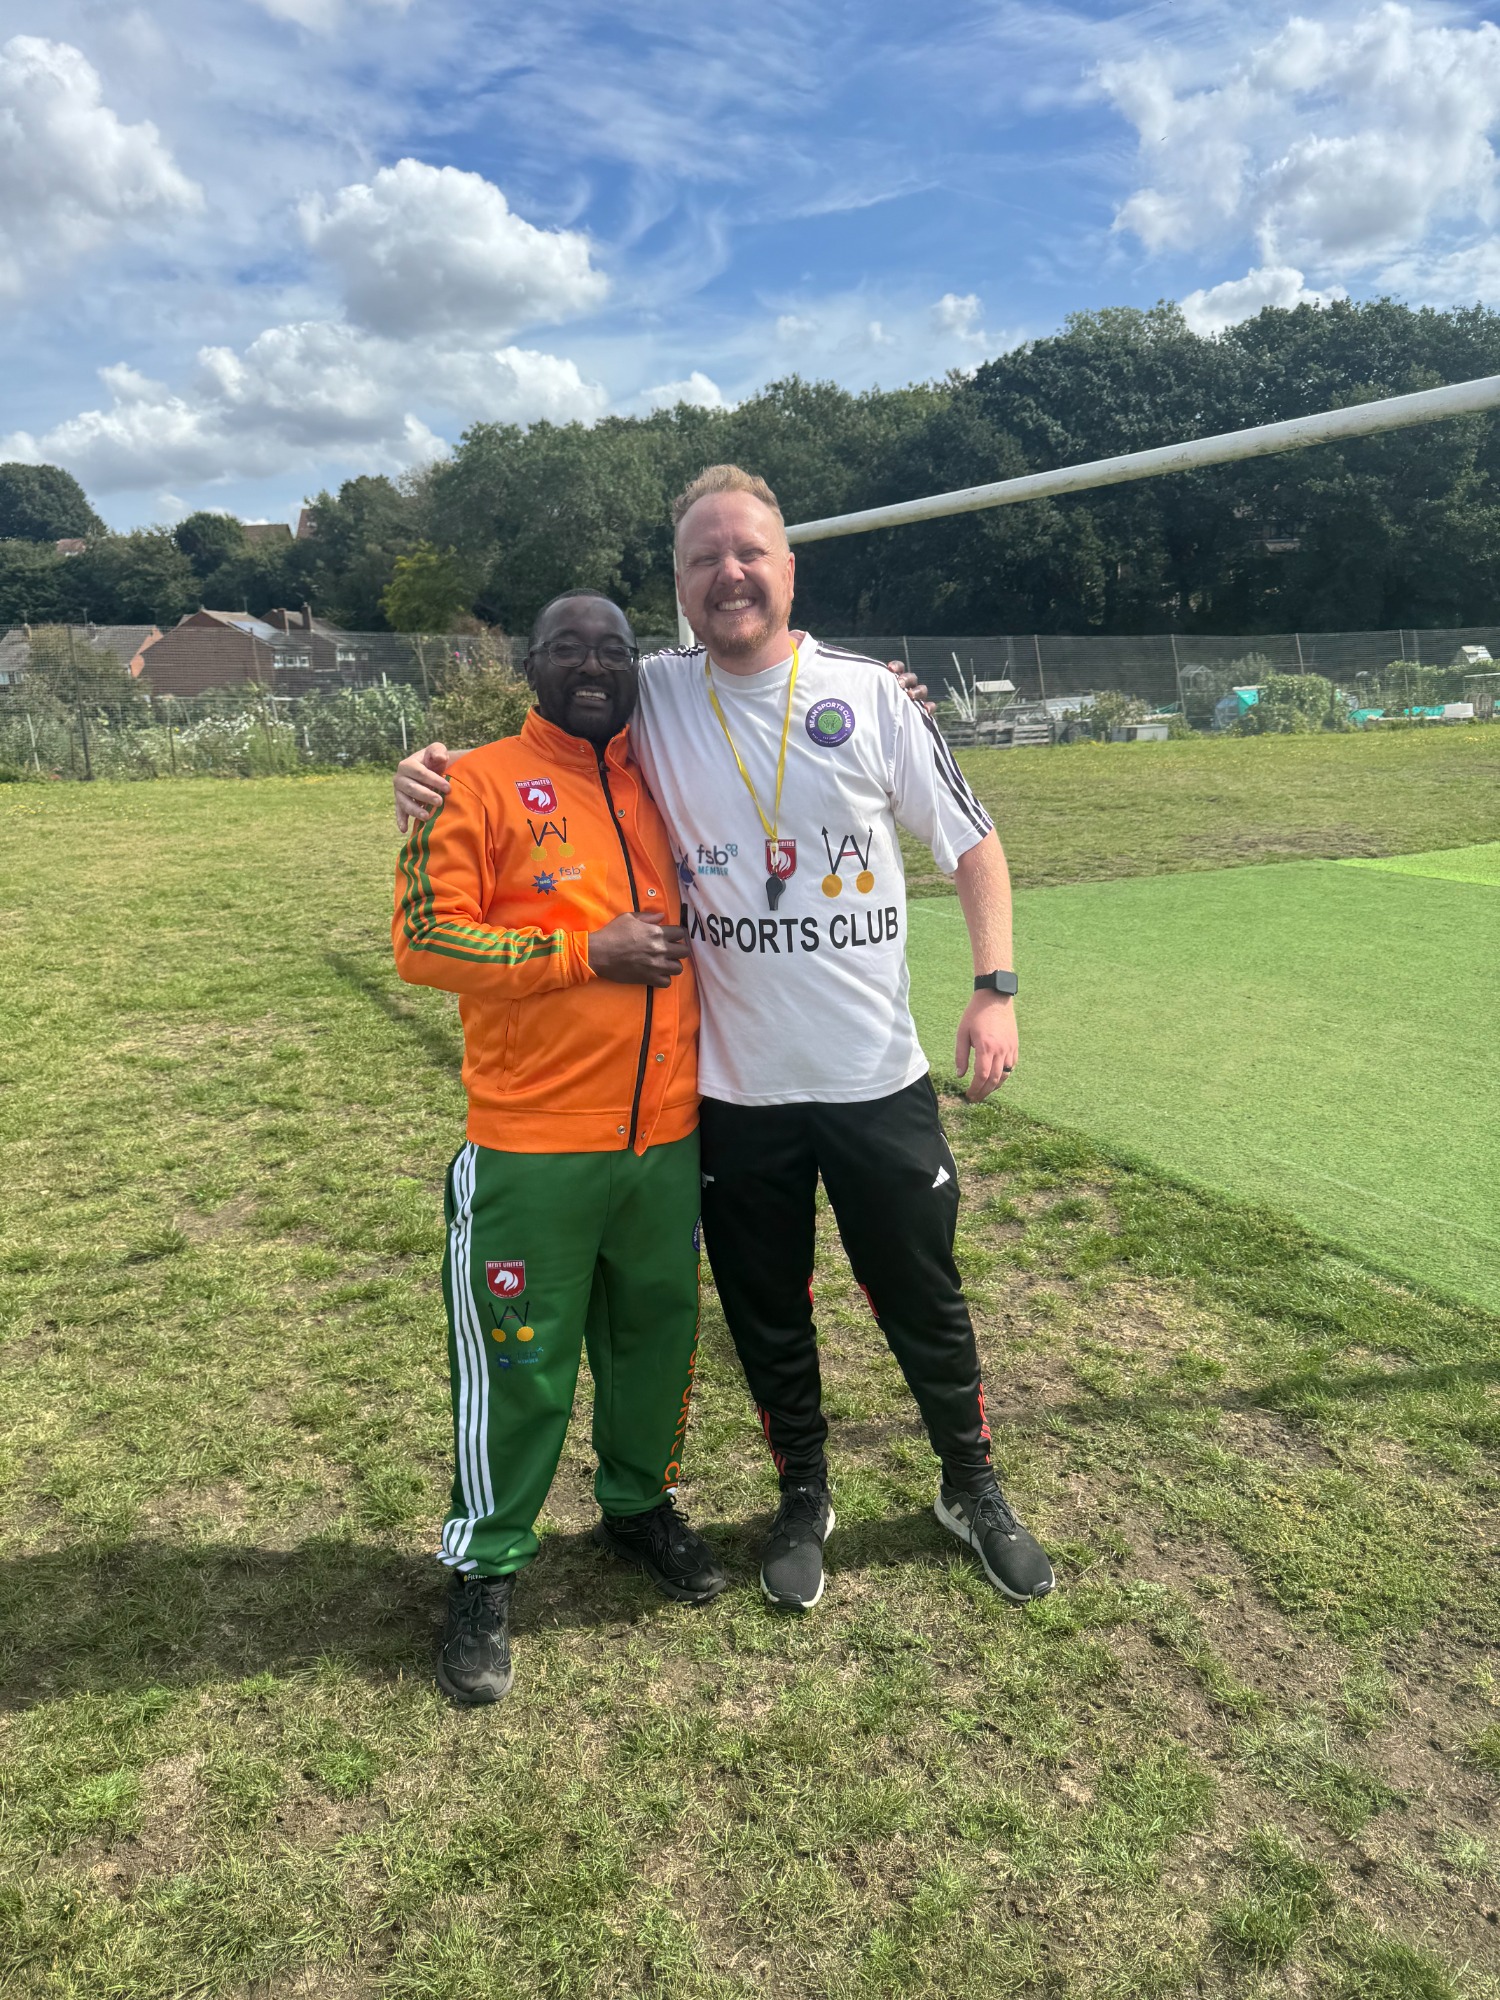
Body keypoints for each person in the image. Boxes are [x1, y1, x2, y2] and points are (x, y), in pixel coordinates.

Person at [396, 465, 1054, 1614]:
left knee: (924, 1297)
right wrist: (423, 773)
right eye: (705, 558)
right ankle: (803, 1492)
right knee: (767, 1312)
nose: (730, 573)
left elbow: (973, 842)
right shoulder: (652, 690)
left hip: (875, 1077)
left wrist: (994, 986)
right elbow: (550, 722)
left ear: (789, 568)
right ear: (680, 586)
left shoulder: (868, 694)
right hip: (736, 1094)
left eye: (750, 552)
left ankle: (972, 1485)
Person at [393, 589, 725, 1706]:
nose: (594, 666)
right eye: (569, 649)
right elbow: (424, 939)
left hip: (665, 1138)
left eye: (614, 650)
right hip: (532, 1148)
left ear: (638, 666)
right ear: (529, 665)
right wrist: (586, 953)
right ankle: (485, 1565)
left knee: (652, 1342)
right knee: (521, 1361)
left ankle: (638, 1505)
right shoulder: (473, 782)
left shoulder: (665, 776)